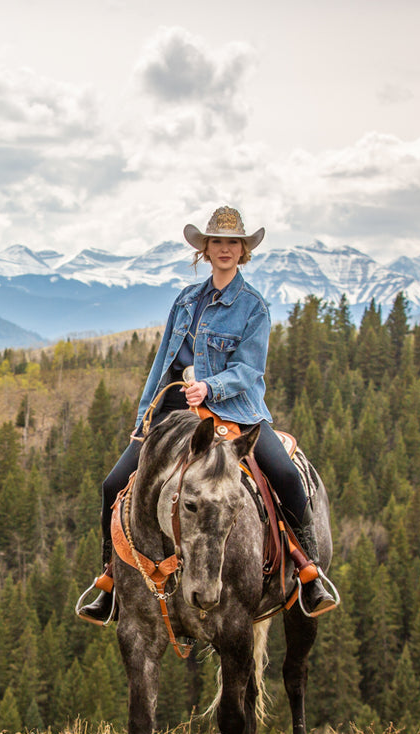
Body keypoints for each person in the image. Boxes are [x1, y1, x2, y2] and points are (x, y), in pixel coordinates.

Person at [75, 206, 335, 624]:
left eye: (233, 242)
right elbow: (163, 363)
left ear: (243, 250)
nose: (225, 249)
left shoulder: (253, 307)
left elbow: (250, 369)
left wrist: (212, 387)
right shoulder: (186, 300)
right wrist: (146, 417)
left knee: (286, 476)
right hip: (175, 409)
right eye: (218, 242)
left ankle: (309, 572)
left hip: (235, 410)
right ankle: (111, 581)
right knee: (112, 486)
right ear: (206, 249)